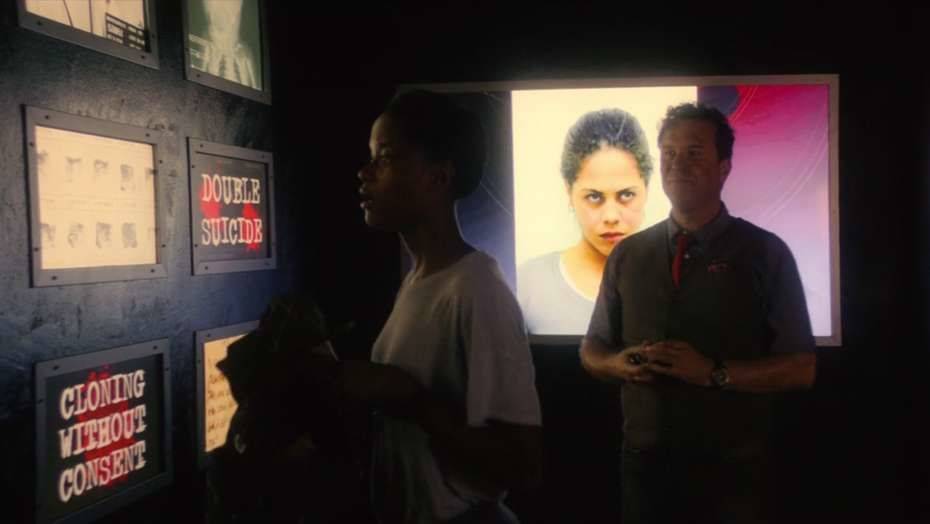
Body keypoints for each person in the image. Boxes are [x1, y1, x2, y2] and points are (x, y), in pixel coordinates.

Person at [579, 103, 817, 524]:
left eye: (693, 152)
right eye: (669, 153)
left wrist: (713, 373)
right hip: (645, 466)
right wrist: (618, 364)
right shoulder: (628, 254)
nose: (677, 164)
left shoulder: (765, 252)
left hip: (733, 469)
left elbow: (802, 369)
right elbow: (592, 349)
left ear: (724, 167)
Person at [348, 90, 543, 524]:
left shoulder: (476, 289)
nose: (365, 173)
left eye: (385, 158)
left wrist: (412, 400)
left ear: (438, 178)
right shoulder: (418, 281)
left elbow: (523, 465)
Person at [517, 109, 652, 335]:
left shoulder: (677, 282)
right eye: (594, 197)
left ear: (646, 189)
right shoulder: (528, 285)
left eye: (626, 195)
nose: (611, 216)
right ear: (569, 192)